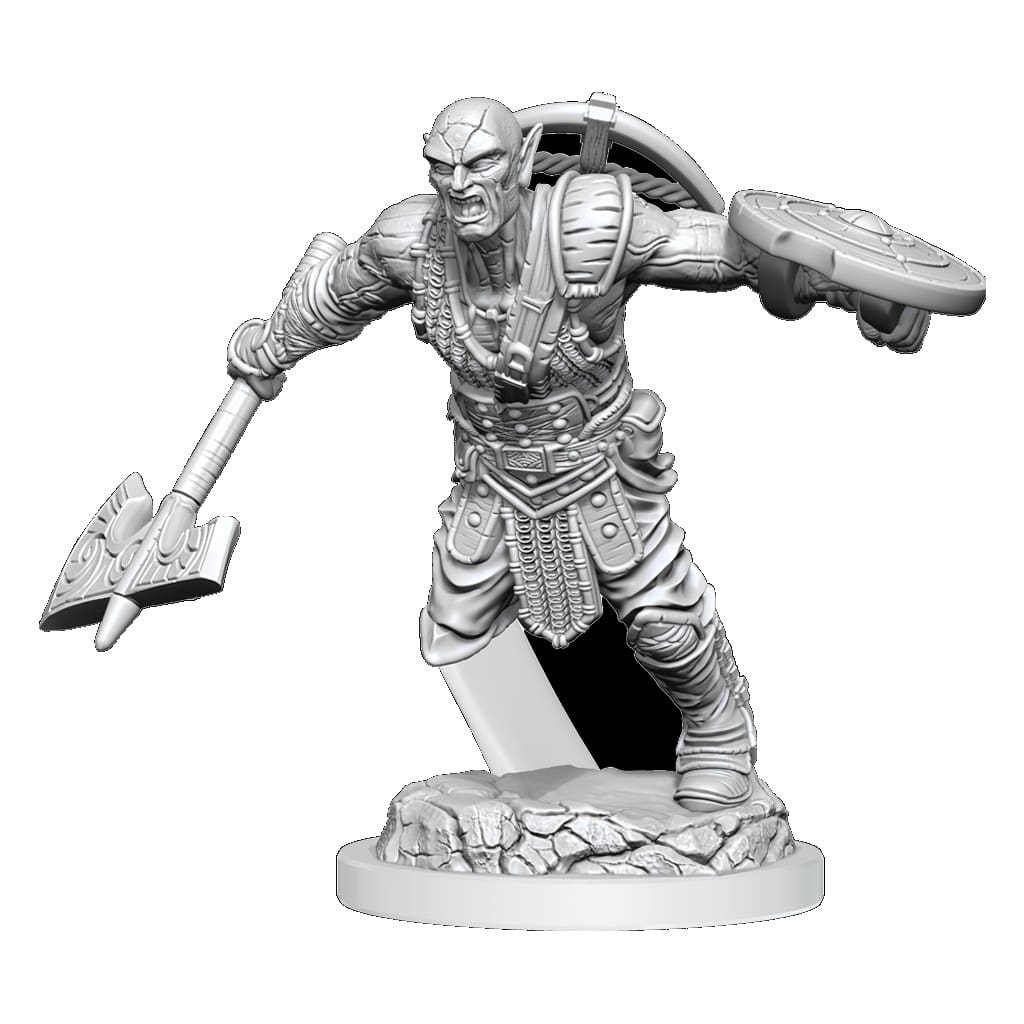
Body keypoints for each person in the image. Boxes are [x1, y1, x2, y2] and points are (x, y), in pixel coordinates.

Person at [227, 97, 928, 810]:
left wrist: (857, 285)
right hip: (491, 473)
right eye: (443, 167)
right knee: (453, 628)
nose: (461, 185)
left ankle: (719, 731)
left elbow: (721, 250)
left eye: (482, 163)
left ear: (524, 161)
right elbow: (337, 295)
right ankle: (548, 777)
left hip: (598, 466)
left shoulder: (588, 227)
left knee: (663, 621)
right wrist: (272, 345)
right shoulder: (411, 241)